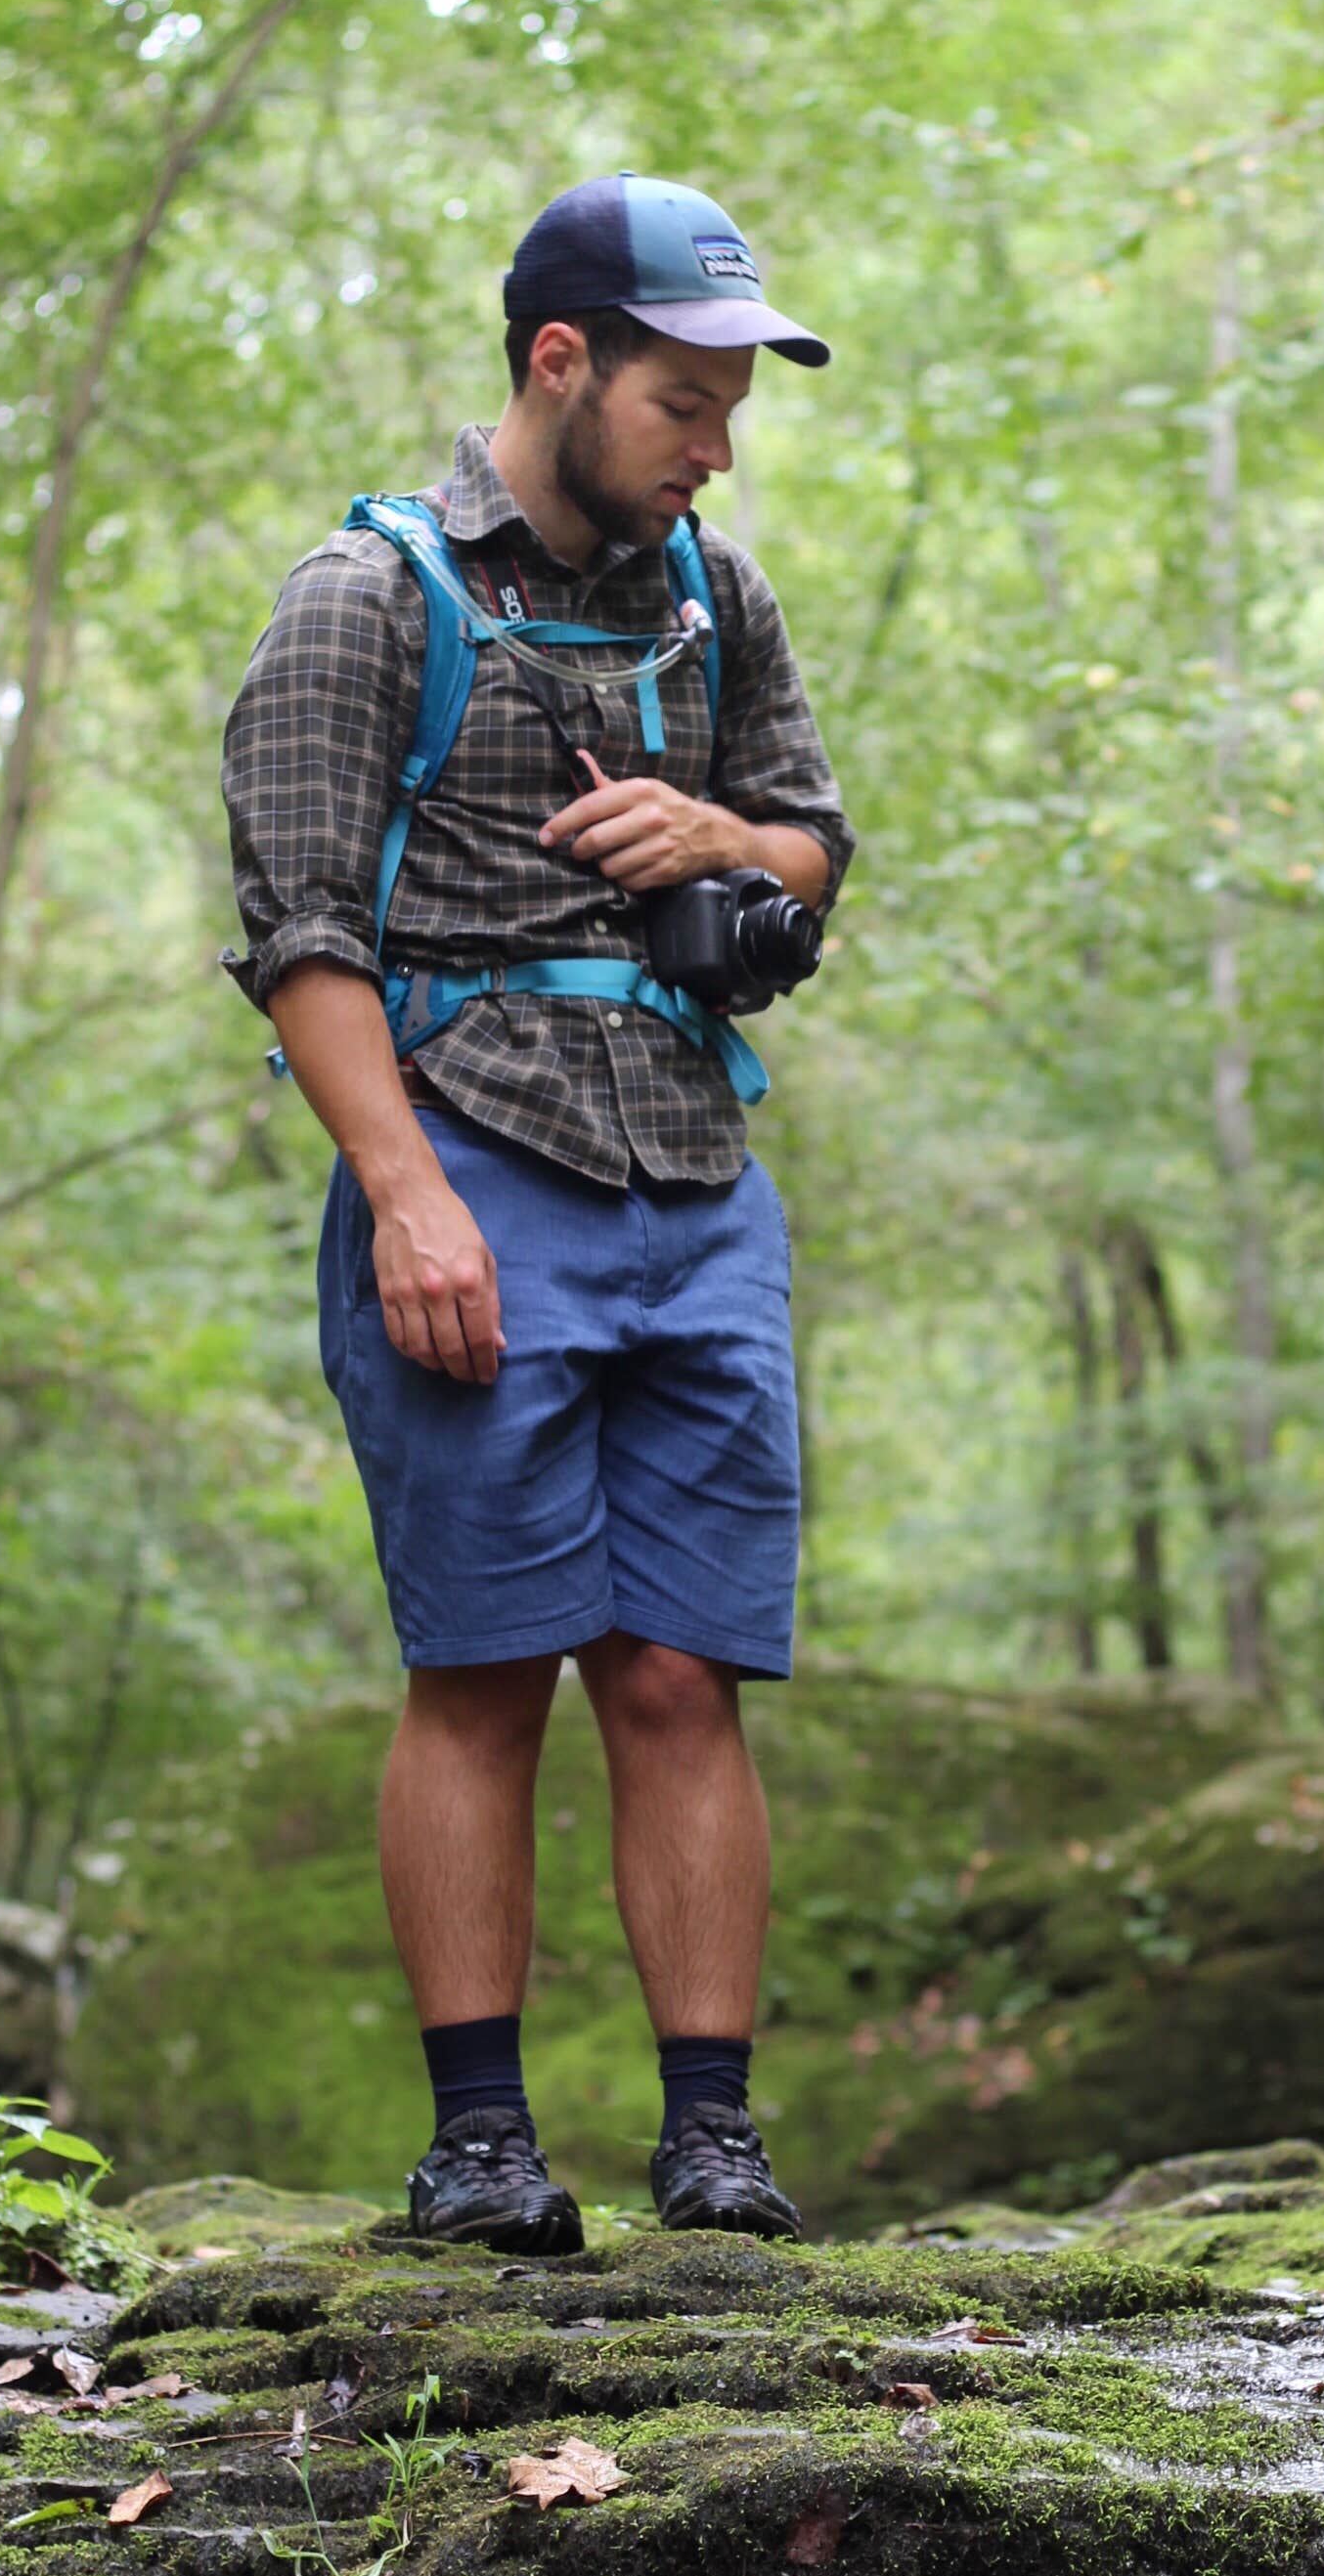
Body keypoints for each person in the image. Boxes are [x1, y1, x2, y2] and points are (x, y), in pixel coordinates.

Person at [221, 174, 854, 2254]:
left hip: (696, 1172)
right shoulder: (361, 599)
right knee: (487, 1669)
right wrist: (404, 1201)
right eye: (687, 397)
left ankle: (713, 2141)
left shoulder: (716, 596)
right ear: (559, 363)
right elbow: (301, 932)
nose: (716, 443)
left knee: (683, 1676)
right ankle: (479, 2145)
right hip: (466, 1163)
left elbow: (814, 851)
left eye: (734, 404)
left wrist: (727, 834)